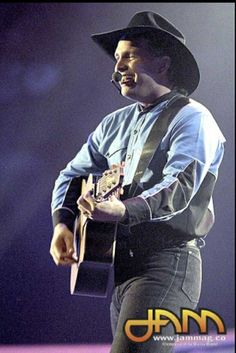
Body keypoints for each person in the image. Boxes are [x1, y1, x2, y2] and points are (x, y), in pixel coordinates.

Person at [49, 11, 225, 353]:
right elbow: (71, 175)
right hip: (122, 267)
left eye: (128, 56)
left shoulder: (193, 117)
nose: (117, 68)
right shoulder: (113, 124)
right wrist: (63, 224)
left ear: (162, 64)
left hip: (167, 263)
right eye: (116, 59)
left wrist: (122, 210)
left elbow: (179, 188)